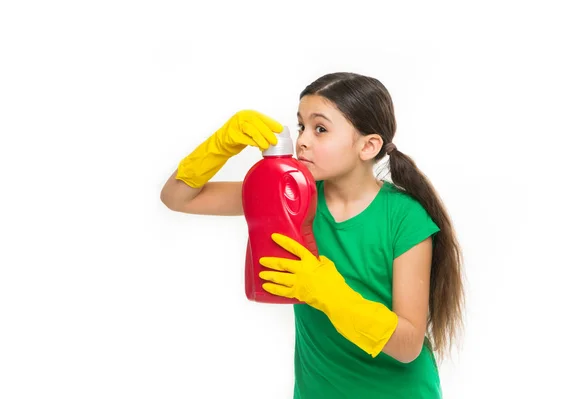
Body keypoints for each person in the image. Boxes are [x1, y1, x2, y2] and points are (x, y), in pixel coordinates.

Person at [160, 72, 465, 398]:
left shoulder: (405, 218)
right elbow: (178, 197)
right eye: (301, 126)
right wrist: (221, 144)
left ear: (368, 146)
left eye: (320, 129)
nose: (302, 140)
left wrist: (330, 294)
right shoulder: (287, 195)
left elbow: (407, 345)